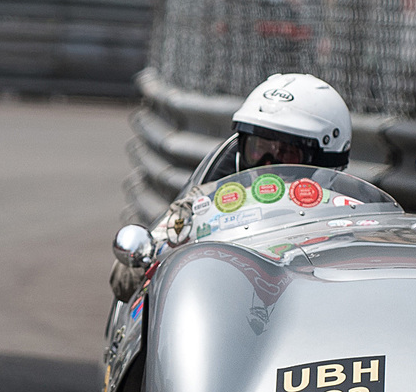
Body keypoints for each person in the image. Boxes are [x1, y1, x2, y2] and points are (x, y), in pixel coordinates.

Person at [110, 73, 352, 300]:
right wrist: (150, 255)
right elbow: (125, 277)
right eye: (257, 149)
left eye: (286, 153)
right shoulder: (206, 205)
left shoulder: (350, 214)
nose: (267, 165)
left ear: (325, 158)